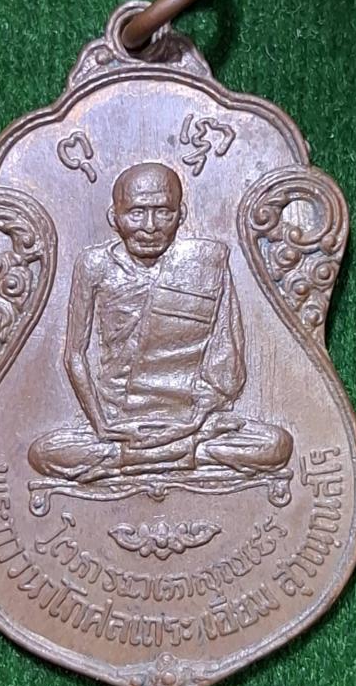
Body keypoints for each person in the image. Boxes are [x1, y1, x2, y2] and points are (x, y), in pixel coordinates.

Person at [29, 162, 292, 482]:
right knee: (43, 453)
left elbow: (227, 356)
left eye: (163, 212)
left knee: (276, 445)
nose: (150, 226)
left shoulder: (206, 264)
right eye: (136, 213)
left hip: (191, 419)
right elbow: (74, 354)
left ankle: (134, 460)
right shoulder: (95, 264)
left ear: (181, 215)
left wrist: (197, 419)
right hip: (118, 419)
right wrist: (101, 424)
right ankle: (185, 456)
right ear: (115, 217)